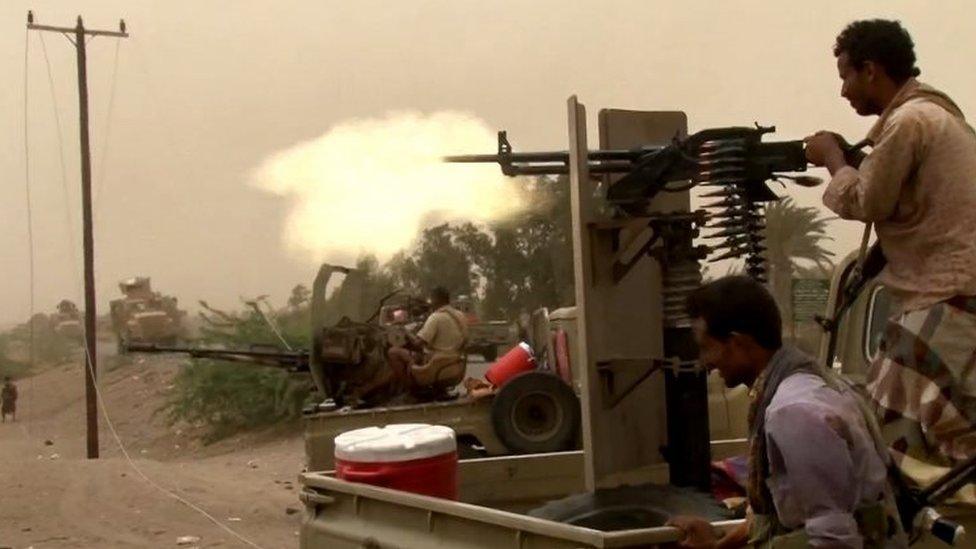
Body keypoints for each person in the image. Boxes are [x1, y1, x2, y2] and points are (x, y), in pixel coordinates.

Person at [805, 19, 976, 501]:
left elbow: (868, 202)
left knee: (890, 412)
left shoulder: (908, 123)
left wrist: (833, 158)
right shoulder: (940, 119)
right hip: (955, 290)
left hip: (943, 291)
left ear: (871, 70)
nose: (843, 90)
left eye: (846, 76)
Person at [668, 276, 906, 548]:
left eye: (707, 348)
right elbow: (786, 513)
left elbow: (834, 540)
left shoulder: (794, 412)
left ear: (738, 343)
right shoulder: (808, 384)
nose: (705, 363)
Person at [387, 286, 469, 396]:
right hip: (455, 360)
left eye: (432, 299)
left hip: (438, 362)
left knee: (393, 352)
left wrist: (406, 334)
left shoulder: (436, 317)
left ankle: (410, 390)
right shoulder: (460, 315)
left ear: (436, 299)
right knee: (418, 354)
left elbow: (418, 343)